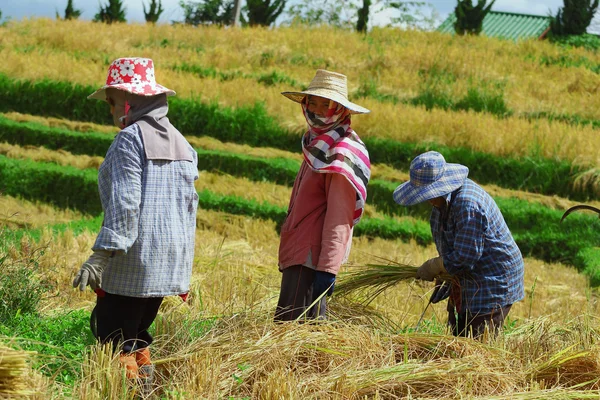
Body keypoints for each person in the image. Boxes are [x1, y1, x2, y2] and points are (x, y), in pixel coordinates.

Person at [72, 57, 199, 385]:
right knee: (138, 333)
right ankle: (147, 389)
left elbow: (125, 204)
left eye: (112, 102)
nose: (110, 110)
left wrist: (101, 255)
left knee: (113, 338)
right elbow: (189, 209)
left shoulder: (131, 139)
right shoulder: (183, 144)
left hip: (133, 260)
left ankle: (123, 391)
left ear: (128, 101)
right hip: (166, 263)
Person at [393, 151, 524, 338]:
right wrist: (445, 274)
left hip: (491, 280)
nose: (427, 199)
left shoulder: (467, 205)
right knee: (458, 334)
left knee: (476, 343)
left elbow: (465, 257)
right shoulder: (440, 206)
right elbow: (451, 251)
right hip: (467, 278)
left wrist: (435, 266)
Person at [274, 69, 371, 321]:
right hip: (299, 252)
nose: (316, 110)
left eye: (325, 104)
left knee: (294, 336)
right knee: (291, 334)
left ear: (339, 109)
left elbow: (339, 218)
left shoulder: (340, 153)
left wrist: (328, 269)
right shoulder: (317, 144)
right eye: (312, 102)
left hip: (311, 260)